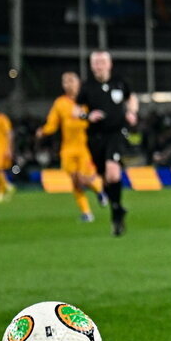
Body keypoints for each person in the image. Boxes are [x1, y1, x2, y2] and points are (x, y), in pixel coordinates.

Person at [75, 51, 138, 236]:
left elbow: (131, 97)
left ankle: (117, 212)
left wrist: (132, 112)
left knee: (112, 171)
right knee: (104, 178)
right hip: (95, 136)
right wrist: (87, 115)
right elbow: (76, 108)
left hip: (117, 132)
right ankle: (117, 210)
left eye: (102, 61)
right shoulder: (87, 87)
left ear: (109, 64)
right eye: (95, 62)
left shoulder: (119, 82)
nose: (98, 65)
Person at [35, 71, 107, 221]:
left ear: (78, 83)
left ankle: (99, 191)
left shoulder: (87, 100)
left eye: (71, 81)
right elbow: (52, 123)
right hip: (67, 148)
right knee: (75, 181)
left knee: (83, 178)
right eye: (65, 81)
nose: (68, 84)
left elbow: (98, 118)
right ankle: (87, 213)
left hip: (85, 147)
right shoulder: (60, 103)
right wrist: (44, 131)